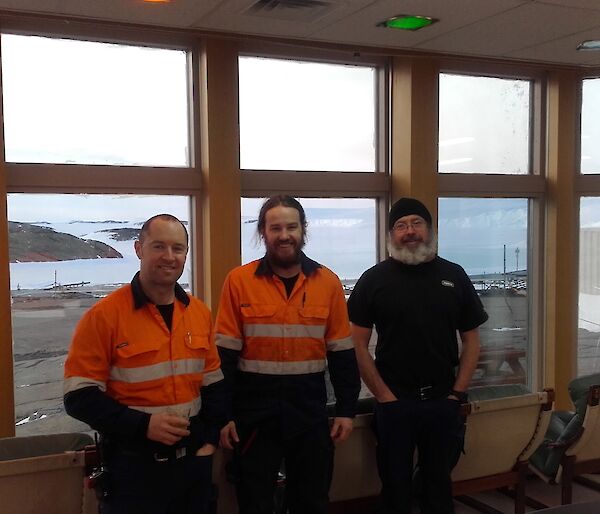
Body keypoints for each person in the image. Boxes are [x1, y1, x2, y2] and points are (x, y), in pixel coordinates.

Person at [64, 214, 226, 514]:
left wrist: (209, 440)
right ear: (139, 249)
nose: (169, 257)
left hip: (193, 470)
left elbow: (214, 384)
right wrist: (143, 426)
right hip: (133, 472)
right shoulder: (104, 316)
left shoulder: (199, 313)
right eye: (158, 246)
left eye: (178, 248)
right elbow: (79, 397)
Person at [215, 195, 360, 514]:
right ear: (262, 232)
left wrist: (347, 410)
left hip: (308, 412)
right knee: (254, 501)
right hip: (253, 416)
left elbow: (342, 354)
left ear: (303, 230)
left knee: (311, 500)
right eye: (275, 227)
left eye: (291, 227)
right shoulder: (238, 282)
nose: (284, 235)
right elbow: (223, 357)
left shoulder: (328, 283)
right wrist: (222, 415)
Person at [347, 197, 488, 514]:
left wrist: (457, 394)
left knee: (438, 486)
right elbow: (356, 345)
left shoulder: (455, 275)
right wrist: (385, 397)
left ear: (430, 230)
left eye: (416, 223)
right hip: (394, 403)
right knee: (395, 488)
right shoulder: (373, 280)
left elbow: (472, 340)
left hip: (442, 401)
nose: (409, 231)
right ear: (391, 236)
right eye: (400, 226)